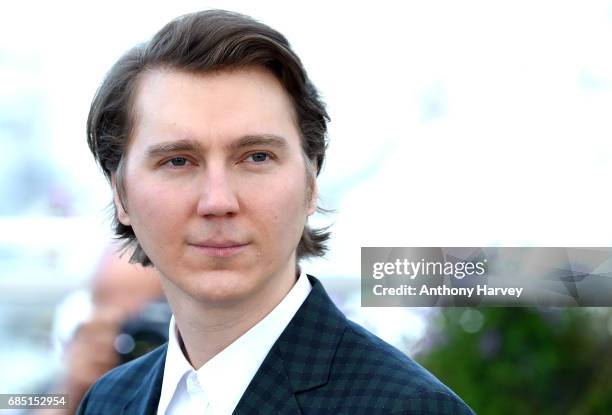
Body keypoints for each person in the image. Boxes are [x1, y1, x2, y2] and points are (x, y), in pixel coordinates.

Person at [77, 9, 474, 414]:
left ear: (311, 182)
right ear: (120, 193)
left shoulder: (410, 407)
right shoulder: (108, 400)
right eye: (178, 161)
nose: (218, 201)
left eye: (256, 157)